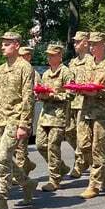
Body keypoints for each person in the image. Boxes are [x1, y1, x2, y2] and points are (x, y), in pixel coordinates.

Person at [0, 31, 38, 209]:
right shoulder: (0, 69)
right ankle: (27, 183)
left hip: (14, 120)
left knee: (2, 157)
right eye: (2, 44)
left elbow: (28, 98)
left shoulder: (25, 67)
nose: (2, 47)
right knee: (0, 157)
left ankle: (2, 198)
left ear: (16, 45)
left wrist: (24, 124)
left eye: (7, 44)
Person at [76, 32, 105, 199]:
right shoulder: (88, 63)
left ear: (103, 45)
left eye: (95, 44)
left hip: (102, 113)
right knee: (83, 146)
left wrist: (100, 92)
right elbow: (81, 83)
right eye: (90, 44)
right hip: (86, 110)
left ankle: (94, 185)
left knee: (97, 148)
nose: (92, 47)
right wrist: (80, 89)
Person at [35, 44, 74, 192]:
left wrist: (53, 95)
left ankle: (54, 179)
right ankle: (61, 167)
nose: (49, 57)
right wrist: (40, 95)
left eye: (52, 55)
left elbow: (71, 94)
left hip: (58, 116)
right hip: (45, 115)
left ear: (60, 56)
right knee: (40, 145)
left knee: (53, 147)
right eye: (48, 55)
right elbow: (43, 92)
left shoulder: (66, 73)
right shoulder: (45, 74)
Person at [67, 31, 93, 178]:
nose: (75, 44)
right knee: (69, 132)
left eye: (77, 42)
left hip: (85, 103)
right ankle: (85, 159)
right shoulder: (73, 62)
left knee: (83, 137)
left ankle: (80, 163)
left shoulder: (92, 61)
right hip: (72, 102)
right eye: (74, 42)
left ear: (85, 42)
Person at [16, 46, 37, 181]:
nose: (21, 58)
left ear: (29, 57)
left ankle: (21, 175)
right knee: (14, 146)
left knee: (21, 146)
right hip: (14, 113)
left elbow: (33, 93)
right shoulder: (17, 70)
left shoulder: (33, 73)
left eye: (24, 55)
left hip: (25, 113)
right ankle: (26, 165)